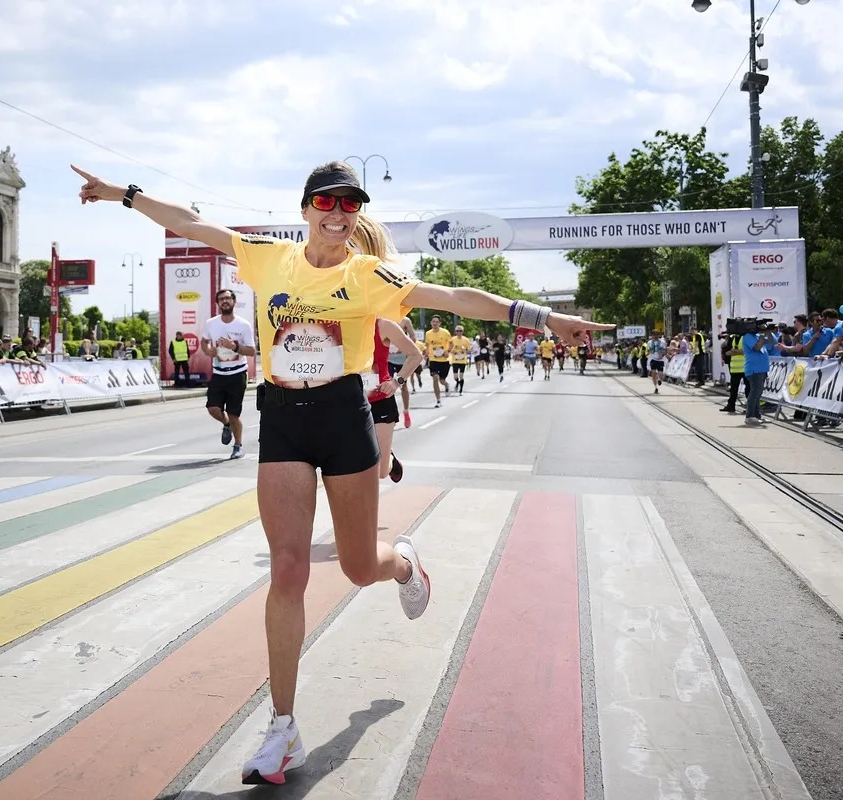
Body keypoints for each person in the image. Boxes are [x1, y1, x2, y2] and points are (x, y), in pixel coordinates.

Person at [71, 159, 609, 785]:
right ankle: (283, 728)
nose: (337, 214)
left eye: (349, 205)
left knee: (359, 567)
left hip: (342, 416)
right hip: (283, 419)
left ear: (357, 216)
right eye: (326, 203)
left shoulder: (369, 275)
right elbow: (191, 222)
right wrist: (121, 195)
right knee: (289, 569)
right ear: (305, 211)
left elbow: (455, 298)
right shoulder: (265, 257)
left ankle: (402, 563)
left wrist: (543, 318)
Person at [201, 288, 256, 459]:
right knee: (212, 408)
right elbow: (204, 342)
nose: (225, 301)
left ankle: (238, 445)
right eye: (221, 299)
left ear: (234, 302)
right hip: (219, 372)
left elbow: (252, 351)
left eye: (228, 298)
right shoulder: (211, 323)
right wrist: (207, 350)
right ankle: (226, 425)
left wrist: (235, 347)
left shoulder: (243, 325)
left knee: (234, 413)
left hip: (237, 373)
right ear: (217, 304)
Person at [365, 318, 422, 482]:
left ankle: (389, 457)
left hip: (381, 399)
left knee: (381, 473)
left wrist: (397, 382)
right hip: (350, 402)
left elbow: (415, 355)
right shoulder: (340, 322)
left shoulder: (383, 325)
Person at [385, 315, 417, 428]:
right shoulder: (384, 317)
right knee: (387, 386)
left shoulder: (405, 320)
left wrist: (403, 348)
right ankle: (392, 413)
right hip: (388, 358)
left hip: (402, 358)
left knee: (403, 386)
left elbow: (413, 337)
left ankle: (406, 411)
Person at [424, 315, 452, 407]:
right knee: (435, 378)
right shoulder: (428, 333)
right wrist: (426, 354)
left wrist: (447, 351)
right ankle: (438, 400)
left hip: (444, 360)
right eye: (433, 321)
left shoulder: (445, 332)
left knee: (442, 380)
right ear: (431, 323)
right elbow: (427, 345)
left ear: (439, 323)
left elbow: (451, 343)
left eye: (436, 322)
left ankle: (446, 385)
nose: (435, 323)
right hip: (433, 360)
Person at [447, 324, 472, 395]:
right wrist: (452, 351)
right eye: (457, 331)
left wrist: (466, 349)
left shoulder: (465, 340)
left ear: (462, 332)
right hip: (455, 360)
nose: (459, 332)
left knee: (461, 375)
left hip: (462, 360)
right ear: (455, 332)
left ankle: (461, 390)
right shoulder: (453, 339)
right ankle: (457, 383)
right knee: (455, 376)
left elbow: (470, 349)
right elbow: (449, 348)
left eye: (460, 331)